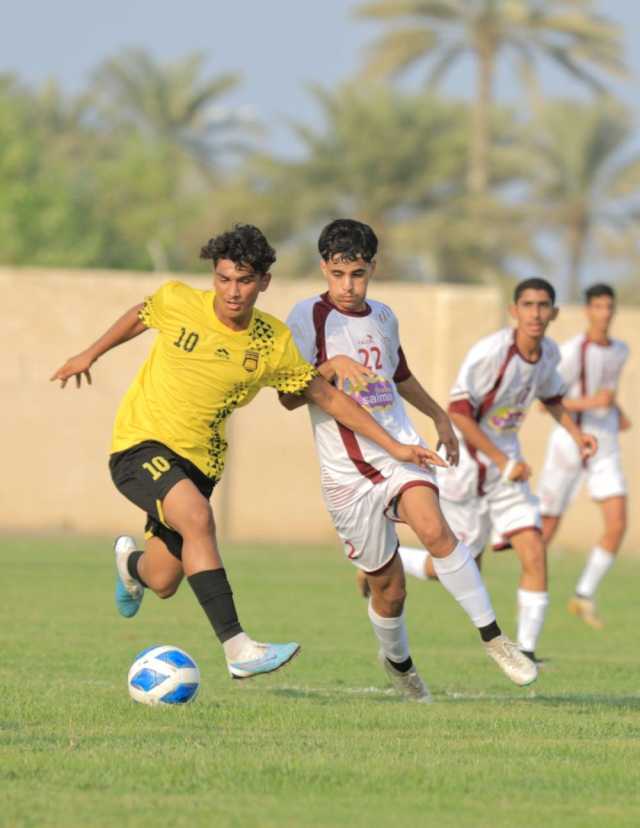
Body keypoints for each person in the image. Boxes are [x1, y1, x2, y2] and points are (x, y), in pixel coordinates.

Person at [50, 224, 436, 681]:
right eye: (224, 279)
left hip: (201, 462)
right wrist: (89, 354)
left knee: (163, 579)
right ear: (213, 276)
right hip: (140, 443)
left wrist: (394, 445)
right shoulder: (178, 300)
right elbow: (141, 313)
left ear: (264, 282)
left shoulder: (272, 342)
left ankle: (130, 564)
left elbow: (326, 397)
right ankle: (238, 648)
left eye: (245, 280)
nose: (233, 292)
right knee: (197, 519)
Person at [281, 218, 538, 702]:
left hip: (399, 448)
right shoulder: (307, 317)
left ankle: (494, 638)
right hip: (346, 474)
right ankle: (398, 663)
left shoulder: (383, 316)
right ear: (323, 269)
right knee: (389, 590)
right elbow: (288, 398)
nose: (347, 286)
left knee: (437, 529)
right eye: (337, 275)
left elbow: (398, 375)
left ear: (372, 268)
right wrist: (330, 368)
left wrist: (440, 417)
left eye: (357, 274)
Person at [396, 277, 598, 664]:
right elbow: (458, 413)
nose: (535, 313)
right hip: (467, 468)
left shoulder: (549, 354)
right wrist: (502, 460)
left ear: (554, 313)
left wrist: (577, 435)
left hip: (508, 471)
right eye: (528, 304)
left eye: (543, 306)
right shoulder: (491, 353)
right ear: (514, 311)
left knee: (534, 549)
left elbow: (552, 397)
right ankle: (392, 559)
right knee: (458, 567)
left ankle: (527, 651)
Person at [537, 283, 630, 629]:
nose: (605, 313)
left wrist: (614, 410)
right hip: (569, 443)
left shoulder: (620, 350)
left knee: (617, 523)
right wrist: (596, 404)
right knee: (547, 528)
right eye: (599, 307)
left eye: (610, 307)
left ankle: (584, 595)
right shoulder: (572, 352)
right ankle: (530, 600)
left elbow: (605, 390)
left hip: (604, 444)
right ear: (588, 310)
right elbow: (548, 405)